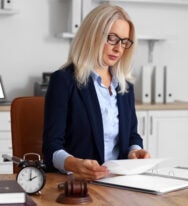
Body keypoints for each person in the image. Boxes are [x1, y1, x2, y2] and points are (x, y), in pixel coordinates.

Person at [42, 4, 150, 181]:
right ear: (92, 35)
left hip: (120, 181)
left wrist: (135, 151)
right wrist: (74, 163)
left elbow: (132, 134)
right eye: (112, 38)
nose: (119, 48)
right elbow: (51, 147)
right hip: (79, 183)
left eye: (124, 42)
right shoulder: (64, 81)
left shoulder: (125, 86)